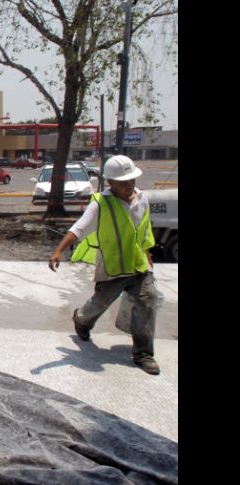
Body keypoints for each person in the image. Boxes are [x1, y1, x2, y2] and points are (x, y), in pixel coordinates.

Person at [48, 155, 160, 375]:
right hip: (112, 266)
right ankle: (81, 320)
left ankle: (143, 353)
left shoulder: (142, 199)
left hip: (138, 264)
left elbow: (145, 231)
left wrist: (147, 253)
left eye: (132, 180)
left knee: (148, 299)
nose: (129, 185)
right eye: (123, 182)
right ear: (110, 183)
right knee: (100, 303)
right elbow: (79, 228)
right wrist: (58, 251)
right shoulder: (100, 203)